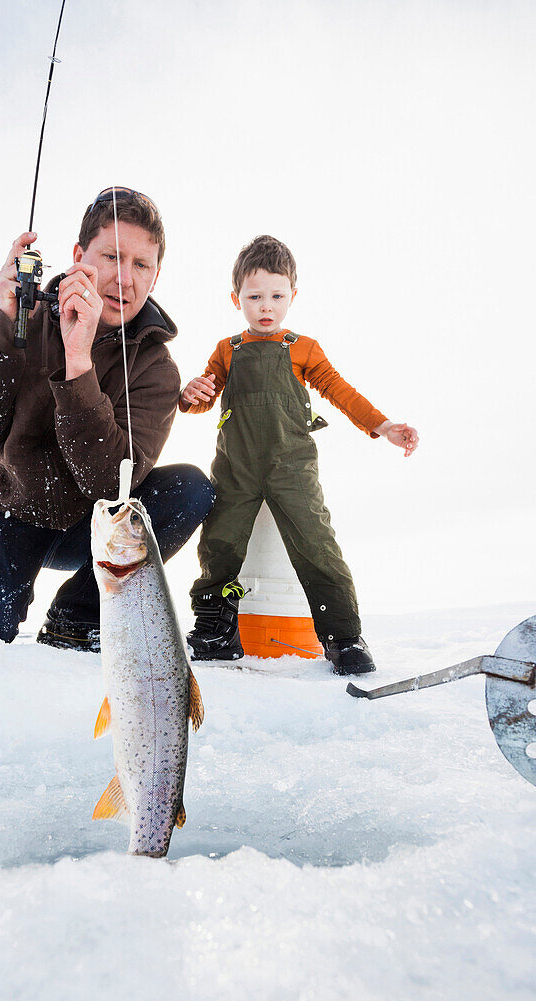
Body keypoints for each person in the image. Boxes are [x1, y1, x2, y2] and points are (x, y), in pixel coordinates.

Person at [0, 188, 213, 648]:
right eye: (112, 256)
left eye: (142, 264)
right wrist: (3, 324)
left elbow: (109, 484)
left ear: (156, 276)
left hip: (87, 524)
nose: (125, 278)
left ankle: (75, 615)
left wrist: (78, 366)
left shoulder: (157, 369)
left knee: (190, 489)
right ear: (80, 256)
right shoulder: (25, 316)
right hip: (6, 507)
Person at [179, 234, 419, 675]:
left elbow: (339, 390)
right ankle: (214, 626)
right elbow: (202, 398)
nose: (265, 306)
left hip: (292, 468)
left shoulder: (302, 347)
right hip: (236, 468)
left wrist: (382, 426)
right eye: (254, 297)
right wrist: (190, 394)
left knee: (315, 544)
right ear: (237, 299)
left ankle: (343, 637)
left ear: (293, 295)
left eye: (276, 295)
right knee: (219, 542)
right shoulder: (226, 350)